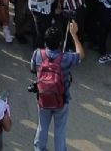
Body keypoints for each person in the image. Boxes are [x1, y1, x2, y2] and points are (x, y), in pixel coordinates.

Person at [31, 21, 84, 151]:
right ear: (60, 42)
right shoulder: (65, 58)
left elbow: (33, 69)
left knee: (42, 126)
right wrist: (73, 34)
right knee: (60, 130)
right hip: (62, 98)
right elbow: (81, 55)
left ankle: (39, 148)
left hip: (43, 97)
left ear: (45, 41)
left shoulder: (38, 54)